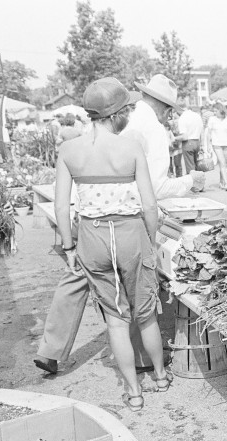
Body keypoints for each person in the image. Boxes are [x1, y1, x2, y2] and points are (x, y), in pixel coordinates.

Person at [35, 74, 198, 375]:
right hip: (126, 218)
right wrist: (189, 181)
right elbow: (157, 189)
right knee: (136, 285)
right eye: (170, 109)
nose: (170, 115)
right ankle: (142, 359)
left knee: (78, 276)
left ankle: (51, 349)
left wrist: (70, 244)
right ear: (163, 106)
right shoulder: (149, 128)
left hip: (87, 217)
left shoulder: (101, 124)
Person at [54, 77, 169, 410]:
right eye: (127, 108)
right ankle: (160, 377)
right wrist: (151, 239)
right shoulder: (130, 146)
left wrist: (69, 248)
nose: (130, 113)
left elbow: (63, 206)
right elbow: (150, 205)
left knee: (116, 320)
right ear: (116, 113)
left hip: (92, 236)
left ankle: (134, 393)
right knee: (145, 314)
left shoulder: (69, 149)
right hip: (131, 233)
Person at [206, 104, 227, 191]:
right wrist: (208, 145)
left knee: (223, 164)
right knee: (222, 162)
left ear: (220, 110)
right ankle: (226, 183)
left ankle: (221, 182)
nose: (214, 113)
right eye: (213, 111)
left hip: (226, 143)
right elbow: (209, 133)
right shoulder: (212, 119)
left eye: (215, 111)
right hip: (216, 144)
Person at [177, 102, 203, 174]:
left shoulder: (182, 118)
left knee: (190, 168)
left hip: (188, 143)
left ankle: (193, 184)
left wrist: (174, 139)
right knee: (197, 165)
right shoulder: (197, 115)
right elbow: (202, 132)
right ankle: (200, 184)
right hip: (197, 141)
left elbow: (184, 137)